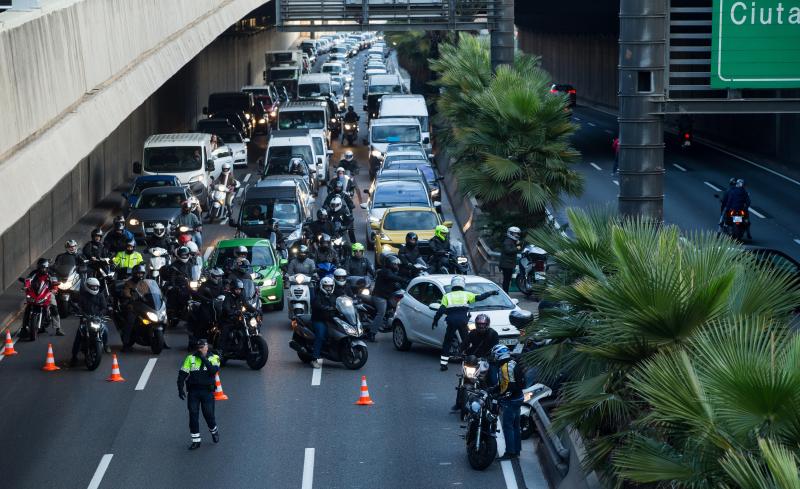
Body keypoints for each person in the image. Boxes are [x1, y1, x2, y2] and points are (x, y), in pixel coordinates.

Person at [432, 276, 499, 371]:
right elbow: (479, 297)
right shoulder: (466, 294)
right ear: (462, 284)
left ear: (453, 284)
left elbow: (441, 309)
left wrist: (435, 320)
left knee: (447, 342)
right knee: (466, 341)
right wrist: (490, 293)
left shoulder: (447, 296)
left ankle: (443, 364)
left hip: (451, 321)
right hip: (463, 321)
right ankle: (470, 360)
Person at [177, 338, 221, 450]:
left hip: (207, 392)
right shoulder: (190, 358)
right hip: (194, 392)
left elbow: (213, 371)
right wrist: (180, 388)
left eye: (203, 347)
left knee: (209, 415)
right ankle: (196, 441)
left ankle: (214, 431)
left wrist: (203, 358)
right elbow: (182, 374)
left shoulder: (214, 357)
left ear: (207, 347)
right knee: (193, 415)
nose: (201, 349)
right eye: (199, 348)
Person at [488, 344, 524, 461]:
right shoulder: (512, 363)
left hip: (511, 401)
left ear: (499, 354)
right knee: (515, 426)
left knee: (508, 426)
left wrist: (500, 396)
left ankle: (510, 452)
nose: (494, 357)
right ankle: (516, 450)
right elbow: (505, 383)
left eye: (495, 355)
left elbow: (510, 386)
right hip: (518, 398)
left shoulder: (505, 367)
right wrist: (494, 389)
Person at [70, 278, 111, 365]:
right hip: (85, 319)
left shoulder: (100, 295)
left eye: (96, 287)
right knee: (79, 336)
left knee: (105, 330)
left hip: (97, 319)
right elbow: (78, 306)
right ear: (87, 286)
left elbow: (104, 307)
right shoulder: (83, 296)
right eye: (92, 287)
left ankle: (106, 344)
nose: (94, 288)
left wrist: (101, 314)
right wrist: (80, 313)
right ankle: (74, 356)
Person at [23, 258, 63, 337]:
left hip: (47, 292)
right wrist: (26, 286)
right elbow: (28, 280)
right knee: (28, 307)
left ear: (47, 267)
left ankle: (58, 328)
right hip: (35, 293)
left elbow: (55, 282)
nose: (42, 269)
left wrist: (54, 289)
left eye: (43, 267)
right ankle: (24, 328)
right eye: (40, 267)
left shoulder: (50, 274)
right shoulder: (34, 273)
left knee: (54, 307)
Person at [370, 255, 406, 339]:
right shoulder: (385, 272)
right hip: (379, 297)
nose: (397, 266)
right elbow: (392, 277)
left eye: (397, 265)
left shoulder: (391, 273)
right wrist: (403, 279)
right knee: (381, 313)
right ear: (390, 264)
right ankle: (372, 333)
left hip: (387, 296)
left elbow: (394, 283)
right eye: (395, 264)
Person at [219, 279, 258, 353]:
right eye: (237, 289)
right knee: (226, 332)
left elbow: (247, 305)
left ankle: (246, 344)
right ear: (233, 289)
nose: (238, 291)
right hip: (228, 320)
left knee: (250, 326)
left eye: (240, 289)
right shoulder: (228, 297)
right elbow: (226, 308)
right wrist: (233, 312)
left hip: (238, 318)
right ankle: (221, 351)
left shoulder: (241, 297)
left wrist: (255, 310)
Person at [191, 268, 225, 343]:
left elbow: (223, 293)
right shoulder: (205, 285)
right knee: (205, 319)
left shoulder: (220, 284)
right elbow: (198, 295)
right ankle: (197, 338)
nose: (219, 278)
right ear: (212, 276)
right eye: (217, 276)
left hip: (217, 306)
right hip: (207, 306)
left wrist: (223, 296)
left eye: (220, 276)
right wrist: (207, 300)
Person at [310, 276, 337, 368]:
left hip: (331, 319)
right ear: (322, 286)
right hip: (319, 320)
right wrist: (326, 308)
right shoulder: (318, 296)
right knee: (320, 336)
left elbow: (339, 303)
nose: (329, 288)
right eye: (326, 287)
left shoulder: (333, 296)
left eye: (330, 286)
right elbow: (317, 305)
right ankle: (314, 358)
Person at [119, 264, 148, 351]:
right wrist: (130, 296)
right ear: (134, 274)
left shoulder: (144, 283)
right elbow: (126, 292)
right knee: (130, 321)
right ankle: (126, 343)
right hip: (133, 305)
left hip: (144, 305)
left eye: (142, 274)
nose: (140, 275)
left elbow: (150, 291)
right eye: (138, 273)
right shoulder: (129, 283)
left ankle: (162, 341)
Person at [499, 226, 521, 293]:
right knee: (506, 280)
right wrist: (517, 248)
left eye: (517, 234)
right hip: (506, 264)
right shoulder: (508, 241)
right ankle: (505, 293)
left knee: (507, 279)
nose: (516, 235)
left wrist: (517, 244)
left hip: (509, 263)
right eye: (515, 234)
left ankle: (506, 292)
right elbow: (508, 250)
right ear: (510, 233)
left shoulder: (512, 241)